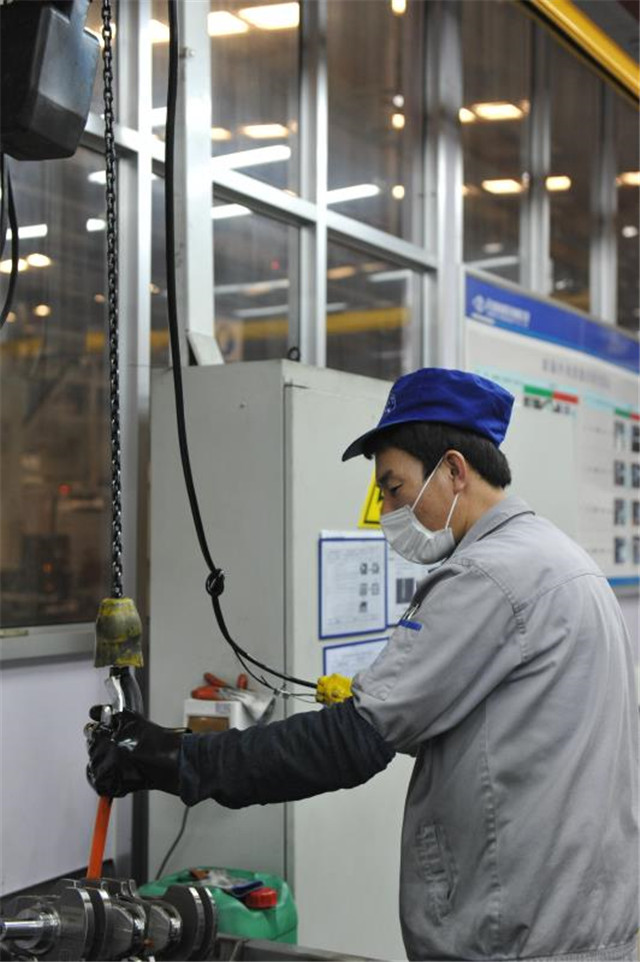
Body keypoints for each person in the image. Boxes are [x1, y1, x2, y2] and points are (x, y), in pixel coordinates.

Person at [86, 368, 639, 962]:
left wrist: (177, 760)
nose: (389, 511)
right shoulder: (561, 560)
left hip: (520, 935)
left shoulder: (489, 577)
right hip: (582, 922)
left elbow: (350, 744)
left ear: (454, 470)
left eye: (394, 490)